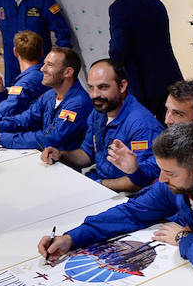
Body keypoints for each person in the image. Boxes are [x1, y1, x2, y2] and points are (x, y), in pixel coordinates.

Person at [40, 122, 193, 275]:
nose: (161, 178)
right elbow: (132, 212)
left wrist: (183, 237)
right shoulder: (174, 182)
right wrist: (73, 237)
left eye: (170, 173)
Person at [43, 59, 162, 192]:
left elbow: (140, 181)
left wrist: (98, 184)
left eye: (103, 87)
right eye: (91, 87)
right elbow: (87, 154)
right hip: (100, 183)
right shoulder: (99, 112)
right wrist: (61, 155)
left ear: (122, 86)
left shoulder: (141, 125)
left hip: (127, 196)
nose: (95, 95)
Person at [114, 78, 193, 189]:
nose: (167, 120)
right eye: (168, 110)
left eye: (178, 114)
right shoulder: (179, 137)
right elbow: (153, 172)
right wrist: (134, 170)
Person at [0, 46, 90, 151]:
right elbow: (25, 119)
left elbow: (50, 139)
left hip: (65, 169)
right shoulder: (50, 95)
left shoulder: (79, 103)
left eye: (49, 65)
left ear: (68, 72)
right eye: (44, 63)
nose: (42, 69)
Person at [104, 0, 182, 122]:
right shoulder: (155, 3)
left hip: (140, 81)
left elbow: (118, 48)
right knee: (169, 127)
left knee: (142, 130)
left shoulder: (119, 8)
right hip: (168, 74)